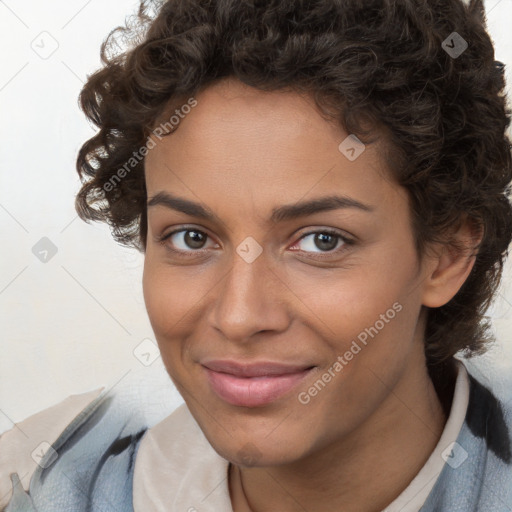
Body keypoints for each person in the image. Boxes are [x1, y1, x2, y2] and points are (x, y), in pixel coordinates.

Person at [1, 0, 512, 510]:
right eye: (192, 238)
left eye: (321, 241)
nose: (240, 316)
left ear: (446, 254)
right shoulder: (38, 479)